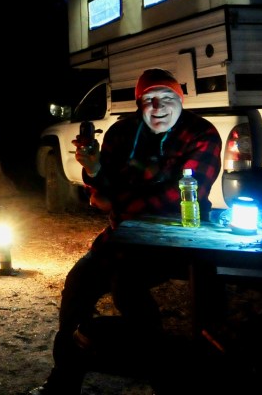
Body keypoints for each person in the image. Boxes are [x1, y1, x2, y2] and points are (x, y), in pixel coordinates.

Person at [29, 68, 222, 395]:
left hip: (176, 239)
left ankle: (162, 373)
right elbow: (102, 189)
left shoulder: (201, 133)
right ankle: (64, 380)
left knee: (126, 285)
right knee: (78, 283)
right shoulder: (121, 133)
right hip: (122, 236)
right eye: (149, 99)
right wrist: (93, 168)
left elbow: (180, 197)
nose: (158, 106)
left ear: (181, 99)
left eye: (167, 97)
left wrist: (115, 198)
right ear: (138, 104)